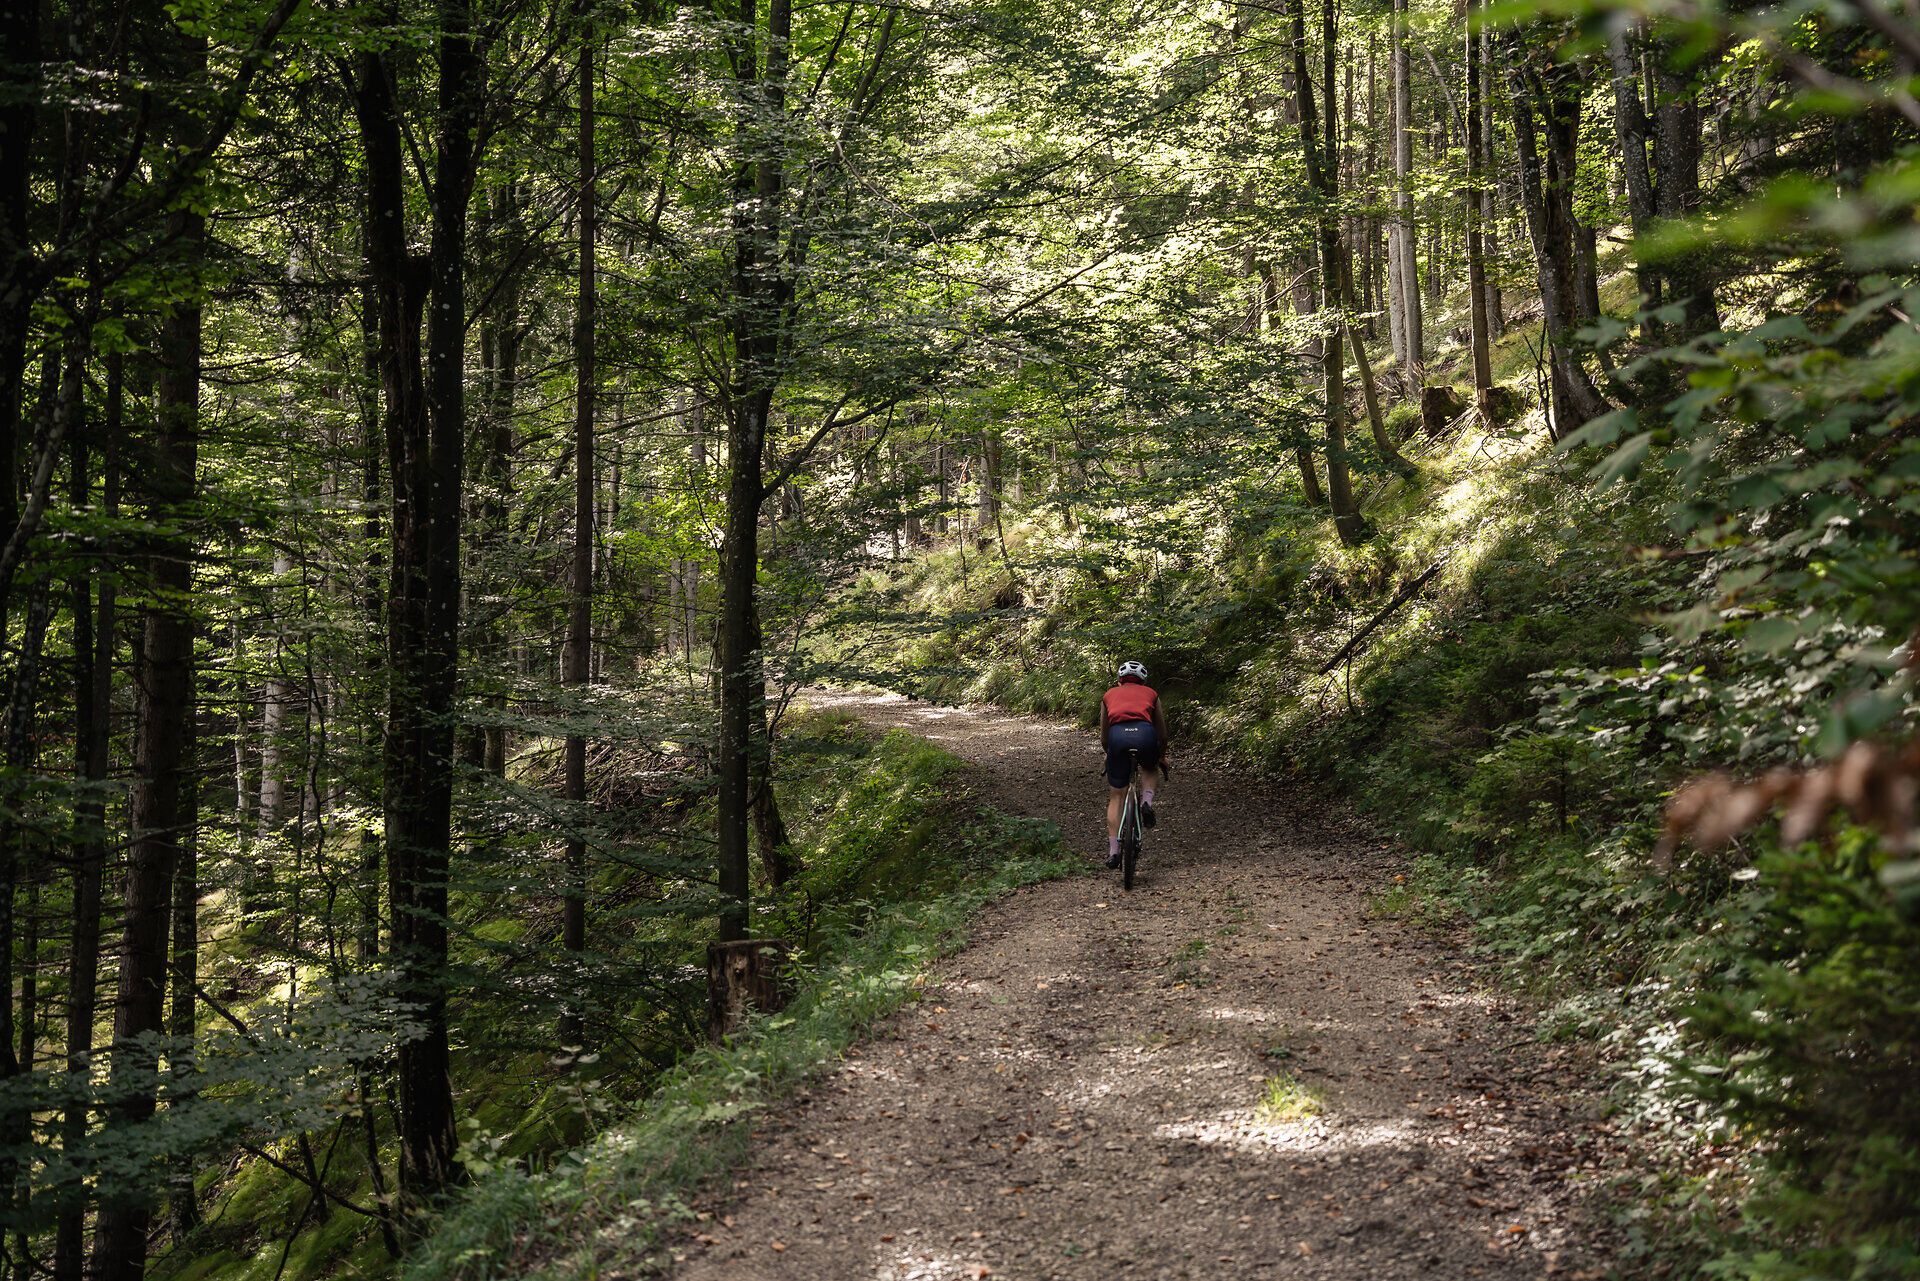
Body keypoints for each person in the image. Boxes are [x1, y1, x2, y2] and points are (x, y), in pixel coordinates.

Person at [1099, 659, 1168, 868]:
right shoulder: (1151, 694)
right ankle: (1146, 802)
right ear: (1143, 681)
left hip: (1117, 737)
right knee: (1150, 767)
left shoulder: (1108, 695)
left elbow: (1104, 735)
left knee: (1116, 796)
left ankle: (1114, 852)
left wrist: (1109, 754)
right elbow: (1162, 733)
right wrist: (1161, 755)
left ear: (1120, 680)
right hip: (1145, 735)